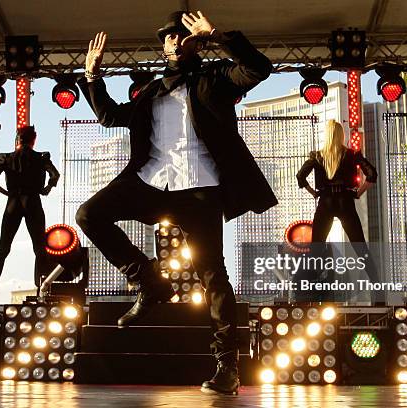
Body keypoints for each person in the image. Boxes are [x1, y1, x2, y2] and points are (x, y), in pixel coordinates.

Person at [75, 10, 276, 395]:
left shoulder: (215, 78)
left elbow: (258, 69)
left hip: (200, 187)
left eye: (182, 36)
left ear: (195, 42)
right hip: (151, 180)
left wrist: (218, 35)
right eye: (168, 37)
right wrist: (92, 77)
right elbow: (109, 116)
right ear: (163, 46)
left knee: (212, 273)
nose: (174, 41)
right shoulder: (151, 89)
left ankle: (226, 367)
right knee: (89, 215)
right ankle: (149, 282)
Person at [296, 120, 381, 300]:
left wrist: (314, 193)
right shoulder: (351, 154)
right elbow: (372, 174)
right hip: (345, 200)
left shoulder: (317, 156)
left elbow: (300, 176)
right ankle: (378, 290)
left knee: (316, 249)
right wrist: (358, 192)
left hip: (325, 201)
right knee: (360, 247)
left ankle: (306, 292)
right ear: (342, 135)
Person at [0, 126, 60, 304]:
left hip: (13, 202)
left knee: (3, 247)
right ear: (34, 140)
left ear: (17, 139)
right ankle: (41, 288)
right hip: (33, 201)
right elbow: (55, 174)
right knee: (39, 248)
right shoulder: (41, 157)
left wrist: (6, 192)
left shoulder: (6, 157)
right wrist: (47, 188)